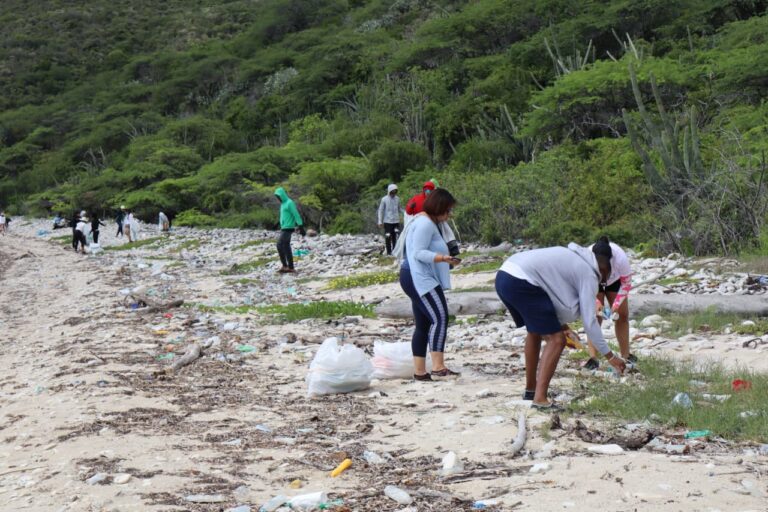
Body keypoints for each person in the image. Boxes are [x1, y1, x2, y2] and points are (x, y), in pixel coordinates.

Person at [494, 240, 627, 409]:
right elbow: (590, 321)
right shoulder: (589, 273)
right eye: (603, 281)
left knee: (534, 332)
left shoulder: (573, 257)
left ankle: (530, 390)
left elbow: (554, 295)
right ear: (603, 270)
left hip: (505, 276)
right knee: (557, 340)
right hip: (522, 281)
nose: (601, 284)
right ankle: (540, 399)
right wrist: (611, 356)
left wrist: (564, 326)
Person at [396, 188, 461, 381]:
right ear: (439, 207)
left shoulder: (425, 221)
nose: (449, 214)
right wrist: (443, 258)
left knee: (423, 323)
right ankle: (438, 367)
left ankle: (420, 372)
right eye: (448, 210)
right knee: (440, 318)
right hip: (419, 277)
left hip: (414, 276)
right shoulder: (425, 224)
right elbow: (418, 253)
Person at [584, 236, 635, 370]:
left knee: (622, 315)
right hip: (593, 282)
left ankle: (626, 354)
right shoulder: (586, 258)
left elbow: (627, 283)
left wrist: (616, 304)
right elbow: (583, 286)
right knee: (594, 316)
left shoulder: (620, 257)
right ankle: (593, 358)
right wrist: (596, 301)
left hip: (615, 281)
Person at [274, 187, 306, 273]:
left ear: (282, 195)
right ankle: (290, 267)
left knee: (279, 245)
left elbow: (296, 214)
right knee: (286, 246)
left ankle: (285, 266)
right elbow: (284, 216)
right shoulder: (282, 204)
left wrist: (301, 226)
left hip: (288, 228)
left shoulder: (289, 202)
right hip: (284, 227)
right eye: (277, 197)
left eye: (279, 196)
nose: (278, 198)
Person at [378, 184, 403, 256]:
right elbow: (381, 210)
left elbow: (399, 208)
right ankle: (389, 252)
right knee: (388, 236)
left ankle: (395, 251)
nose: (393, 193)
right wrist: (380, 221)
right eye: (392, 192)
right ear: (389, 191)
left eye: (395, 192)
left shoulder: (397, 199)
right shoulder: (384, 199)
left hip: (396, 221)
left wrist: (406, 213)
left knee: (395, 236)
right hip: (387, 222)